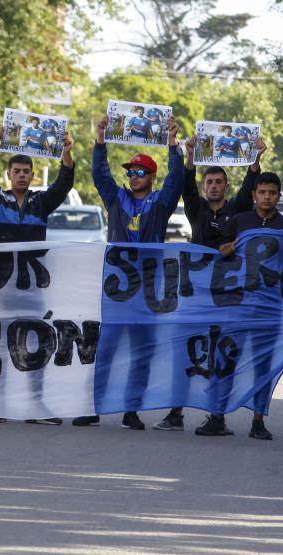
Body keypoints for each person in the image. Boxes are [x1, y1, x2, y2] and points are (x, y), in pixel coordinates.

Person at [72, 115, 183, 430]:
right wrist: (100, 139)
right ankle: (92, 407)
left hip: (147, 291)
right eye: (131, 172)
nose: (133, 176)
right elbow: (99, 174)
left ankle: (131, 411)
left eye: (140, 172)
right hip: (116, 291)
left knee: (141, 354)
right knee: (105, 350)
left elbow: (176, 180)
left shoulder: (161, 203)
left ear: (151, 175)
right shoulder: (115, 198)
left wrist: (173, 144)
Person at [152, 133, 265, 433]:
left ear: (226, 187)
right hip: (195, 294)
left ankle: (217, 416)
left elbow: (250, 184)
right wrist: (189, 156)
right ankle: (175, 413)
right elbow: (186, 187)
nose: (213, 186)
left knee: (220, 354)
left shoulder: (238, 209)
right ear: (205, 188)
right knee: (184, 351)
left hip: (226, 297)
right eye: (209, 183)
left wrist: (255, 158)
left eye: (218, 182)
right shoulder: (196, 209)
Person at [0, 125, 74, 424]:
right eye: (17, 171)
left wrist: (67, 153)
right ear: (9, 175)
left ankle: (36, 405)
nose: (22, 175)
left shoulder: (41, 203)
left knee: (35, 345)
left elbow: (63, 184)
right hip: (1, 287)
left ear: (33, 175)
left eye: (26, 171)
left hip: (33, 288)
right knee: (0, 343)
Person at [216, 171, 283, 441]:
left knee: (263, 365)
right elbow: (217, 254)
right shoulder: (238, 221)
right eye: (262, 192)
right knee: (228, 360)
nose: (267, 197)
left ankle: (258, 420)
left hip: (270, 309)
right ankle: (217, 416)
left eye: (272, 193)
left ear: (279, 195)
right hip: (237, 306)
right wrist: (225, 250)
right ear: (253, 194)